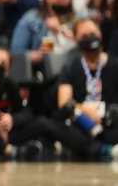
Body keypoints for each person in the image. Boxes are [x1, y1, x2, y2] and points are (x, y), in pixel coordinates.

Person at [50, 19, 118, 159]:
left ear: (100, 35)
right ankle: (104, 150)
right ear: (75, 40)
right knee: (53, 126)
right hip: (79, 122)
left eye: (92, 34)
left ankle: (89, 149)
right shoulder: (70, 66)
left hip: (109, 121)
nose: (89, 39)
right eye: (84, 36)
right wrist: (85, 110)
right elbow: (64, 103)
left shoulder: (115, 65)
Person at [12, 0, 77, 64]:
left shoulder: (76, 20)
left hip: (72, 65)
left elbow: (83, 45)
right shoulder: (31, 18)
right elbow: (16, 52)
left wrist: (60, 30)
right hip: (41, 67)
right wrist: (36, 55)